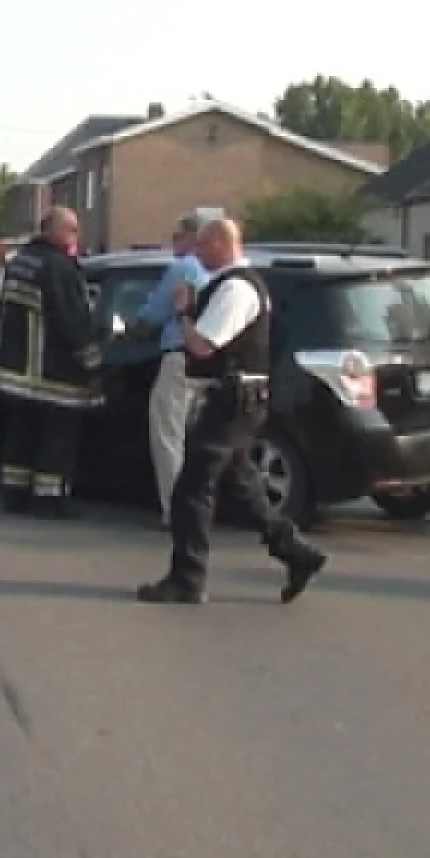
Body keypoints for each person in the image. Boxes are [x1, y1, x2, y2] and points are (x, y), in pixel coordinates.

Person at [137, 217, 328, 605]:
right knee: (241, 484)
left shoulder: (236, 289)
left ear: (221, 244)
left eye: (203, 246)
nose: (197, 254)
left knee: (191, 488)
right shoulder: (234, 285)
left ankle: (187, 579)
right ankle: (296, 553)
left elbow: (203, 346)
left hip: (233, 401)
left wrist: (183, 315)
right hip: (238, 400)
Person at [0, 207, 101, 518]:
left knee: (21, 433)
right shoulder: (59, 268)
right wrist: (92, 363)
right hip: (52, 373)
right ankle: (49, 499)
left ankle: (14, 493)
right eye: (72, 230)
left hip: (16, 372)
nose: (76, 236)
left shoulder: (21, 262)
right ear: (53, 230)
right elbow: (72, 320)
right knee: (58, 437)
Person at [132, 211, 212, 530]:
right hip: (210, 360)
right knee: (198, 439)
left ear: (193, 238)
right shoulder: (218, 271)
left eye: (177, 236)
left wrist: (135, 324)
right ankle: (197, 506)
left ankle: (175, 512)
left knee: (168, 435)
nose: (173, 242)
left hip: (179, 357)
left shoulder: (184, 268)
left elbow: (154, 312)